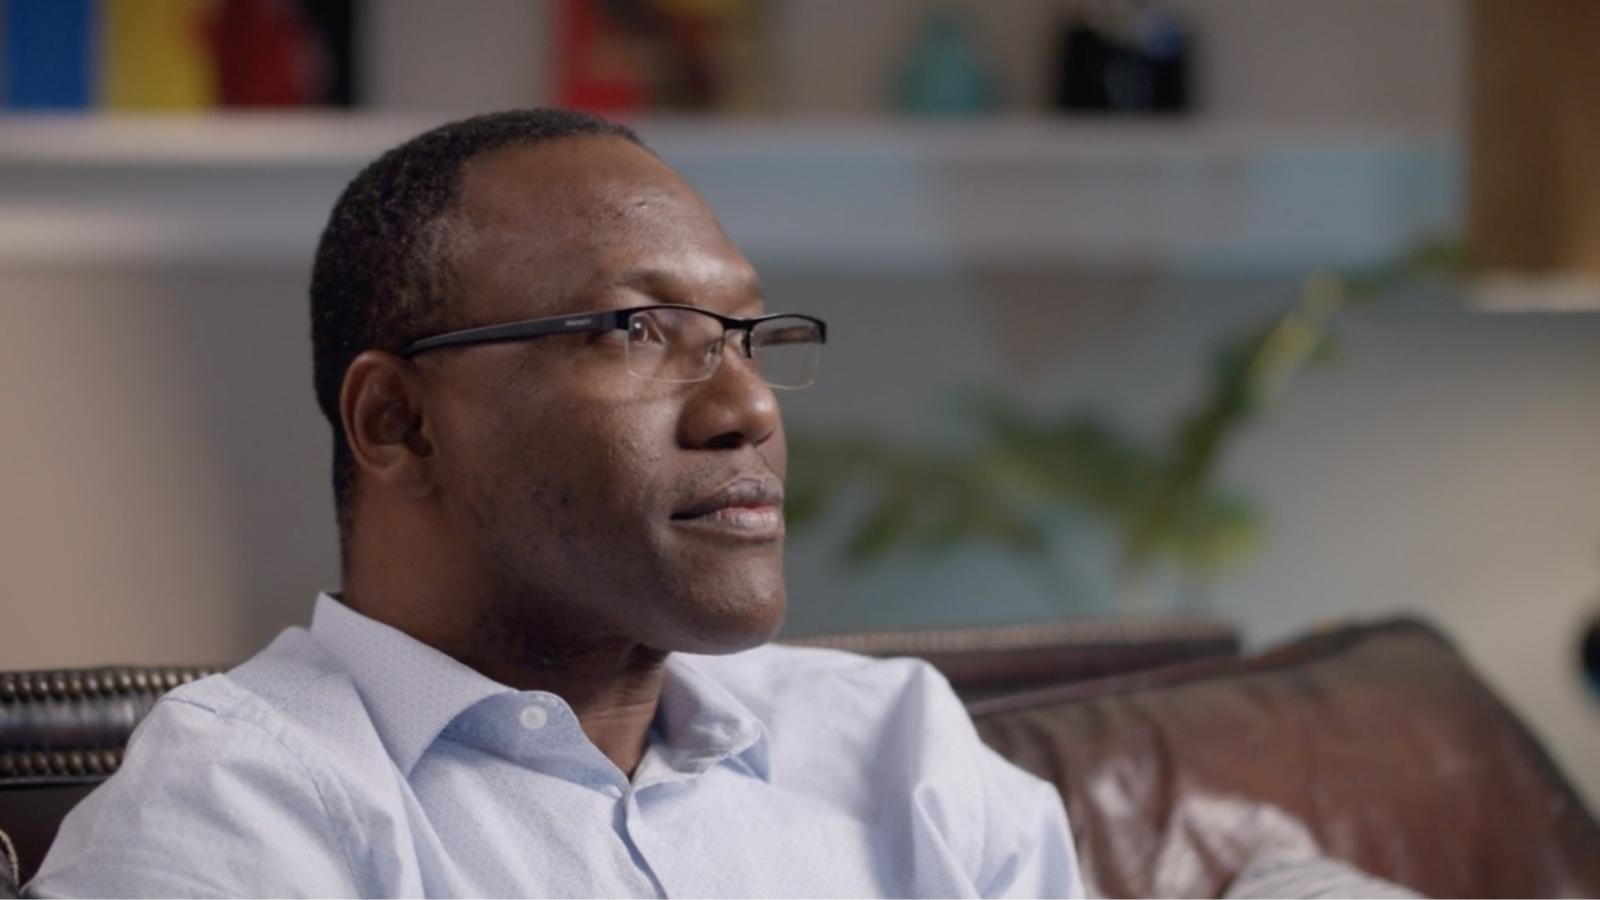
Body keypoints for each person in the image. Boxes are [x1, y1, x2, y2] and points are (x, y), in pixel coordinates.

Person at [28, 109, 1084, 898]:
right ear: (399, 422)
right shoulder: (232, 818)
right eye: (636, 332)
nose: (750, 407)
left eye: (748, 339)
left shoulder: (900, 749)